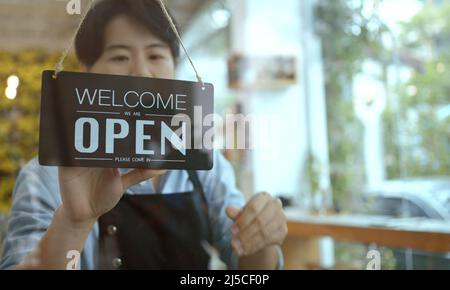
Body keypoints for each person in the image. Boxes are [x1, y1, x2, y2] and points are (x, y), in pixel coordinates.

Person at [0, 0, 287, 270]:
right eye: (120, 56)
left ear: (175, 68)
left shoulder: (202, 164)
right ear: (86, 71)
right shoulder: (46, 174)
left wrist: (262, 239)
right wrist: (73, 224)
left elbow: (245, 261)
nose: (141, 72)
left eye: (156, 55)